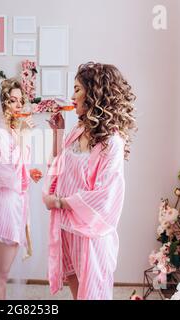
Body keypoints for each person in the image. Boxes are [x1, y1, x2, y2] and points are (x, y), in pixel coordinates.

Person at [43, 62, 137, 300]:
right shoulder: (76, 131)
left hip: (91, 236)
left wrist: (60, 203)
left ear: (94, 93)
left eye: (77, 89)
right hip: (68, 229)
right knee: (77, 293)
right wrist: (58, 134)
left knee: (93, 295)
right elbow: (59, 167)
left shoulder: (112, 143)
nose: (72, 96)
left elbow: (105, 196)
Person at [0, 79, 42, 300]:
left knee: (2, 274)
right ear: (1, 102)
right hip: (4, 207)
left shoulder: (10, 132)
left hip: (15, 205)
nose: (18, 106)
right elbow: (7, 176)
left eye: (20, 101)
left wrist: (28, 173)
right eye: (12, 100)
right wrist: (24, 137)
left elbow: (18, 170)